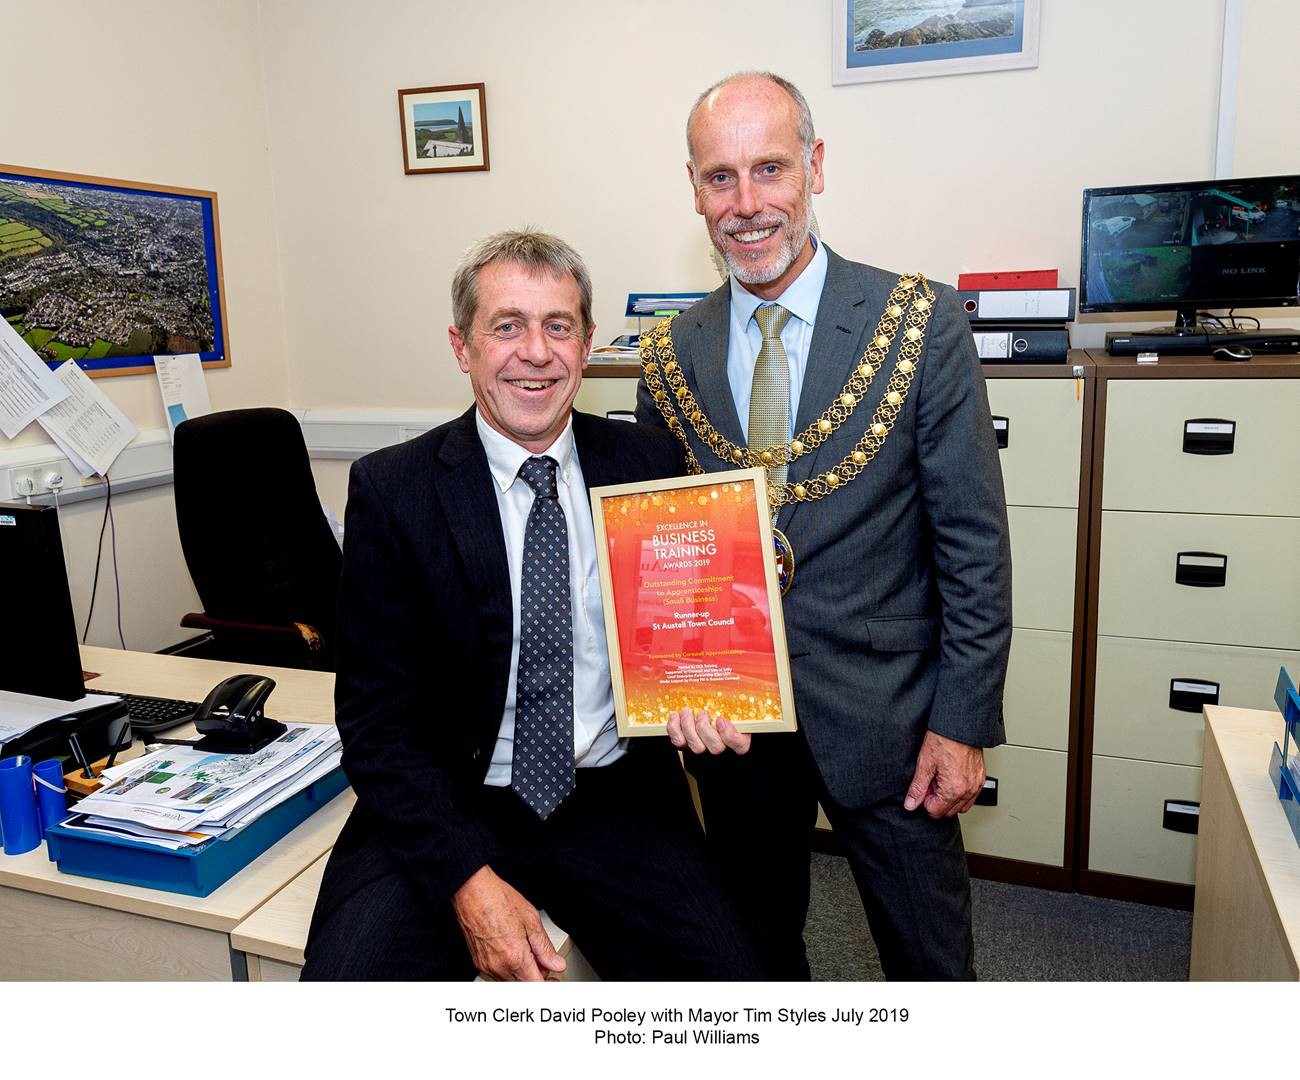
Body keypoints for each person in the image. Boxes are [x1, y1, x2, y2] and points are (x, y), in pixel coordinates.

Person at [303, 229, 762, 981]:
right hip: (455, 798)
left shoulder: (647, 466)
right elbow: (376, 726)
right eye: (507, 325)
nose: (536, 352)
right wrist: (469, 883)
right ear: (463, 346)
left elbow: (687, 638)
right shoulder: (395, 491)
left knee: (730, 992)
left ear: (586, 345)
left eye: (558, 326)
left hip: (616, 796)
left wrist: (700, 701)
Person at [635, 72, 1012, 981]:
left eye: (770, 169)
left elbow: (974, 546)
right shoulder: (667, 354)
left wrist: (962, 725)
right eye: (721, 178)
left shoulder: (919, 322)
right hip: (735, 730)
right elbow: (665, 559)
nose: (747, 203)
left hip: (894, 721)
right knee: (756, 956)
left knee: (930, 965)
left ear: (814, 165)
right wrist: (673, 685)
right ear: (694, 188)